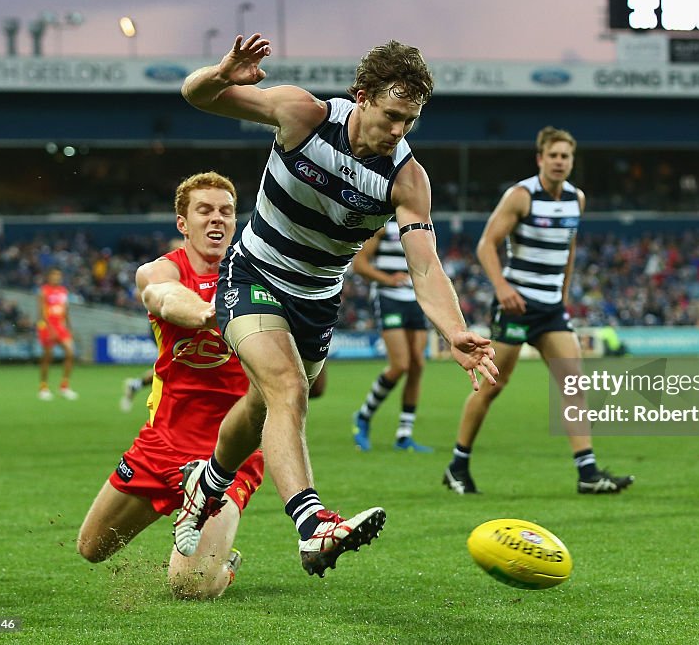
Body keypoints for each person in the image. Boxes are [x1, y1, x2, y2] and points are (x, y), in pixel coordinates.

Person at [174, 34, 498, 577]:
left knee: (261, 407)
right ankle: (313, 525)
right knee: (288, 389)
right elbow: (196, 96)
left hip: (317, 300)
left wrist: (454, 331)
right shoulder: (302, 113)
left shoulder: (408, 180)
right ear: (363, 95)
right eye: (391, 115)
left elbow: (424, 265)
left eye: (410, 122)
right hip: (254, 271)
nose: (397, 131)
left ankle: (206, 483)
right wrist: (224, 70)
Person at [77, 171, 263, 599]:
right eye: (205, 210)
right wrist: (208, 311)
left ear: (236, 222)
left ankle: (222, 561)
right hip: (163, 441)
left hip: (229, 452)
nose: (216, 219)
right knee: (92, 548)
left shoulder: (255, 273)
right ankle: (188, 517)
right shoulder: (160, 270)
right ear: (183, 223)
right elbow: (162, 297)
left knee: (191, 586)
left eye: (226, 212)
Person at [442, 126, 633, 495]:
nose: (560, 162)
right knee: (495, 384)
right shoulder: (521, 195)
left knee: (573, 383)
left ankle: (588, 473)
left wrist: (563, 295)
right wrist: (502, 288)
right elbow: (486, 245)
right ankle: (457, 465)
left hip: (551, 309)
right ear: (540, 159)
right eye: (554, 156)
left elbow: (569, 250)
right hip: (516, 306)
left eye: (566, 156)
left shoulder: (576, 199)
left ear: (572, 161)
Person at [351, 218, 433, 452]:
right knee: (400, 365)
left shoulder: (422, 225)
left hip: (415, 299)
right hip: (388, 298)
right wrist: (389, 280)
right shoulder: (382, 225)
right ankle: (364, 416)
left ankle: (404, 435)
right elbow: (361, 265)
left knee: (417, 364)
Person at [122, 238, 185, 413]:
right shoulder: (161, 271)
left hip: (183, 324)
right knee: (176, 363)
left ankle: (136, 385)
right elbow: (139, 293)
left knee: (179, 363)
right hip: (167, 326)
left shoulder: (190, 269)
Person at [36, 268, 78, 401]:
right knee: (48, 357)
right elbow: (42, 312)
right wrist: (50, 328)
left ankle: (64, 386)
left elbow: (65, 310)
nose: (57, 278)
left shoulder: (63, 291)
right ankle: (43, 387)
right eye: (54, 275)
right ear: (49, 277)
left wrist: (69, 327)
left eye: (59, 276)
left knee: (70, 353)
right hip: (47, 326)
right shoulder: (44, 291)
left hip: (61, 327)